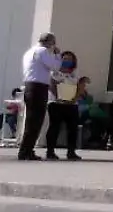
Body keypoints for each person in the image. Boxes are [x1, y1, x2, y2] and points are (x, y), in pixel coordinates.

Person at [19, 33, 62, 161]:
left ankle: (26, 149)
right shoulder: (43, 51)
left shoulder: (30, 52)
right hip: (38, 88)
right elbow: (55, 66)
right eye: (53, 43)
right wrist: (57, 55)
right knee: (36, 121)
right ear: (49, 42)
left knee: (31, 120)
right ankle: (26, 151)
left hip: (30, 86)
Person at [45, 52, 82, 161]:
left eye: (69, 59)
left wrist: (74, 98)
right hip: (56, 103)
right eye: (65, 59)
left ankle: (71, 152)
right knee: (54, 127)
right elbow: (51, 85)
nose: (67, 61)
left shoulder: (75, 73)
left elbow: (79, 87)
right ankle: (50, 152)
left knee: (72, 128)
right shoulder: (55, 72)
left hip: (71, 104)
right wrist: (60, 96)